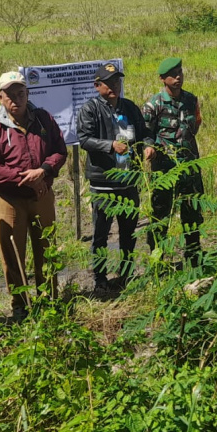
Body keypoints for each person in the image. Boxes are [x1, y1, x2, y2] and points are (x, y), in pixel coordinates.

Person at [0, 71, 67, 320]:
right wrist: (27, 178)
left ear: (28, 93)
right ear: (0, 97)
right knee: (13, 253)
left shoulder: (43, 119)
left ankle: (49, 299)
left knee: (46, 247)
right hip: (9, 198)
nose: (15, 99)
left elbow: (59, 151)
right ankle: (19, 304)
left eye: (20, 93)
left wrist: (43, 171)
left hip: (41, 193)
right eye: (9, 94)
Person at [77, 63, 148, 290]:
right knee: (101, 234)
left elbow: (144, 133)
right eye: (109, 83)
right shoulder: (90, 109)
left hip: (128, 180)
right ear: (97, 86)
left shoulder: (129, 107)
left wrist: (147, 146)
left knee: (128, 232)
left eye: (117, 81)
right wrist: (110, 146)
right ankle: (100, 279)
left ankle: (126, 274)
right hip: (104, 183)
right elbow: (84, 139)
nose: (114, 86)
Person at [142, 57, 204, 265]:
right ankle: (158, 258)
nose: (178, 77)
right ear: (162, 79)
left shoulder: (191, 100)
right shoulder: (154, 104)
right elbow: (146, 133)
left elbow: (195, 124)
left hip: (189, 165)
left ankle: (194, 256)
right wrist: (150, 147)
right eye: (172, 75)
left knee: (192, 210)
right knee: (160, 212)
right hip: (164, 168)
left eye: (180, 73)